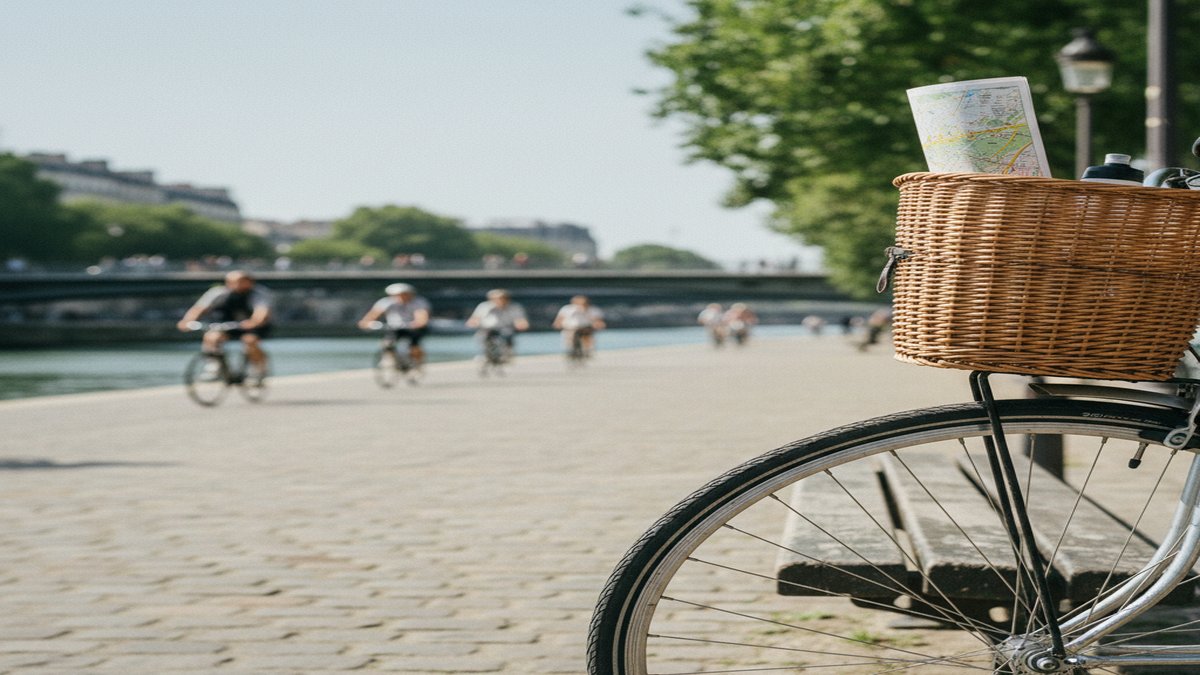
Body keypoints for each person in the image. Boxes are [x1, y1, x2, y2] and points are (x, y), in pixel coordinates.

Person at [176, 270, 272, 380]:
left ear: (250, 282)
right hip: (227, 324)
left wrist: (254, 322)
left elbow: (262, 311)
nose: (235, 285)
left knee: (250, 341)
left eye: (240, 282)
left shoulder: (259, 294)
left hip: (251, 326)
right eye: (231, 282)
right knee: (211, 337)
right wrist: (187, 321)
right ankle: (213, 366)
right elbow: (199, 308)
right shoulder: (218, 293)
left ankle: (258, 368)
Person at [357, 282, 432, 367]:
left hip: (414, 328)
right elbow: (373, 314)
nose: (400, 297)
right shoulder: (386, 302)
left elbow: (421, 316)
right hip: (395, 327)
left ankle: (417, 362)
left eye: (404, 294)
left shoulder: (419, 302)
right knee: (387, 343)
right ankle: (392, 360)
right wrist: (366, 322)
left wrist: (419, 323)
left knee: (414, 345)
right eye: (397, 295)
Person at [465, 289, 529, 361]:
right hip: (488, 328)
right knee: (482, 337)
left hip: (505, 327)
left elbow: (520, 319)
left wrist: (521, 324)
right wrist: (473, 323)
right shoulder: (484, 306)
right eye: (494, 299)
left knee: (507, 335)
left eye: (501, 299)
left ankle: (508, 352)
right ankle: (485, 354)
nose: (498, 301)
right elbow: (475, 318)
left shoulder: (514, 307)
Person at [553, 295, 606, 359]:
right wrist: (558, 324)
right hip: (571, 327)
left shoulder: (593, 309)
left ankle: (588, 349)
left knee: (587, 335)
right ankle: (570, 350)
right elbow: (560, 318)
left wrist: (598, 324)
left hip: (586, 327)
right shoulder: (567, 309)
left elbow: (597, 320)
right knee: (569, 336)